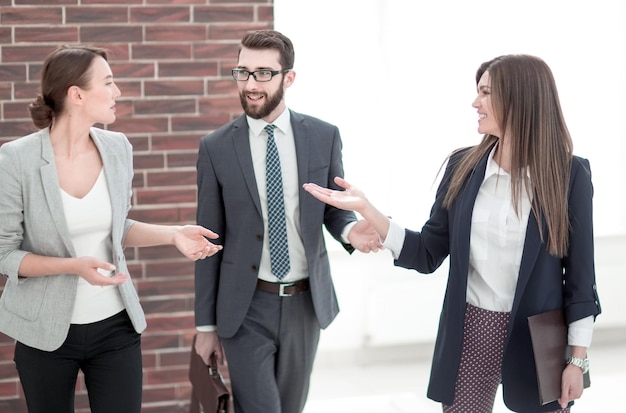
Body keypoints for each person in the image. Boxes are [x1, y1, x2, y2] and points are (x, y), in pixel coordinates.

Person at [303, 54, 601, 413]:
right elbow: (427, 252)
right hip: (472, 324)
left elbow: (582, 280)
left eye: (486, 93)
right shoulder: (463, 167)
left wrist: (577, 359)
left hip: (539, 335)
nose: (475, 103)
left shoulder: (569, 174)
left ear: (519, 97)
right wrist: (369, 210)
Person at [0, 45, 222, 413]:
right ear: (77, 94)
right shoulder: (16, 159)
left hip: (115, 327)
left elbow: (115, 227)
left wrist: (173, 234)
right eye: (109, 82)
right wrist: (72, 266)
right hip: (44, 331)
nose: (117, 92)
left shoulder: (117, 148)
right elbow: (4, 253)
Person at [193, 29, 381, 413]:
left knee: (291, 407)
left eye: (263, 73)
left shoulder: (323, 136)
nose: (250, 84)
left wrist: (349, 229)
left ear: (288, 78)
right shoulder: (216, 147)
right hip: (245, 306)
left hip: (304, 304)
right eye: (243, 72)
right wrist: (205, 326)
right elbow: (206, 240)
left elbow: (333, 206)